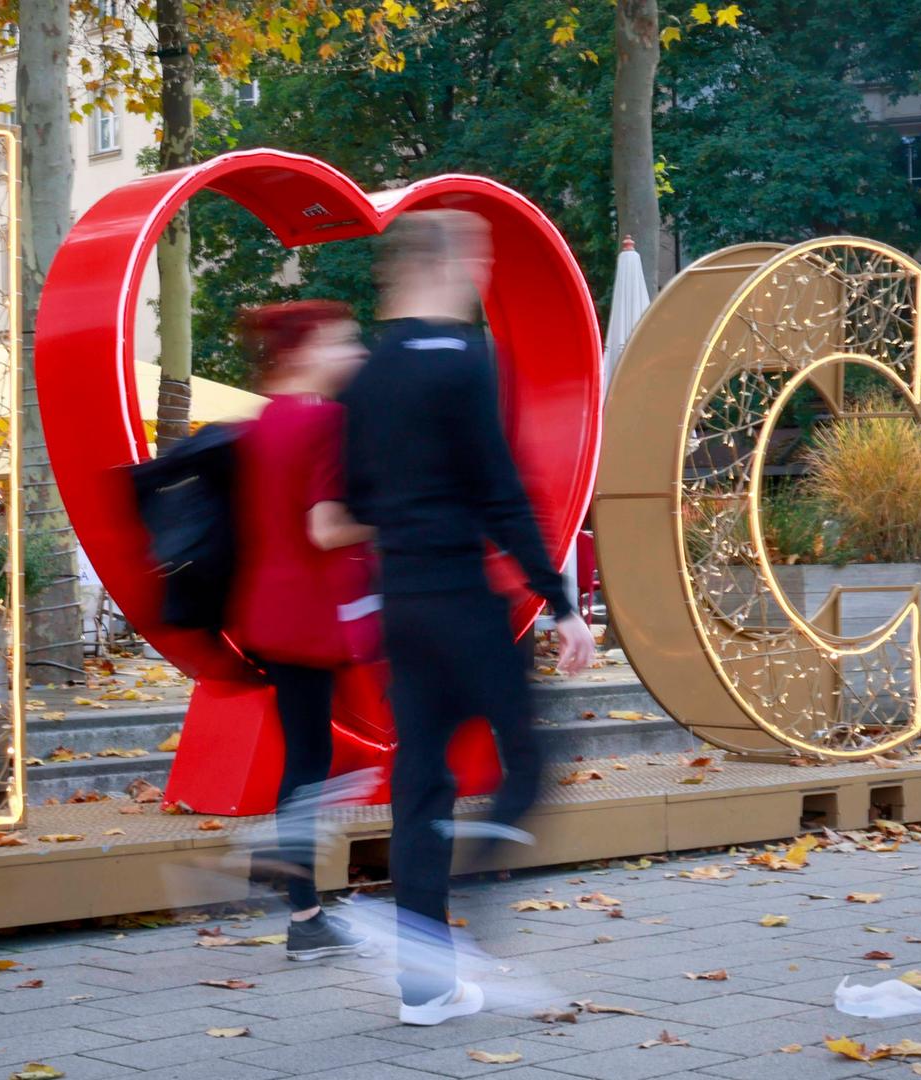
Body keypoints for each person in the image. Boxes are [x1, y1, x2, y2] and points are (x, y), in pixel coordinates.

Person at [341, 210, 598, 1026]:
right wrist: (560, 605)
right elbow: (499, 491)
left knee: (422, 785)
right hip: (462, 603)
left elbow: (352, 501)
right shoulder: (467, 361)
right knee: (528, 763)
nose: (482, 275)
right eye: (479, 260)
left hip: (402, 608)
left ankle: (427, 985)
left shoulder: (369, 374)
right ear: (447, 263)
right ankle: (480, 910)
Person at [225, 300, 376, 961]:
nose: (355, 353)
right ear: (305, 349)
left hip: (267, 610)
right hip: (315, 615)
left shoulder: (260, 424)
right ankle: (303, 906)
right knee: (314, 763)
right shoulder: (327, 423)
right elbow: (324, 529)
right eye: (343, 340)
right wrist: (395, 520)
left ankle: (306, 907)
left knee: (309, 755)